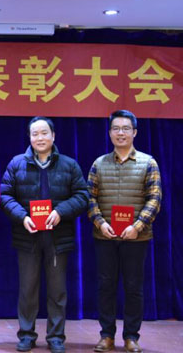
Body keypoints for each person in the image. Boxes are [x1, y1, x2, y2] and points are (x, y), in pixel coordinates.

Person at [0, 116, 88, 353]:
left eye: (44, 133)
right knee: (27, 290)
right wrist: (23, 217)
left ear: (53, 136)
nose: (40, 138)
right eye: (35, 134)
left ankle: (56, 336)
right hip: (27, 236)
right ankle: (26, 335)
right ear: (29, 137)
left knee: (57, 291)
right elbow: (5, 195)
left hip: (58, 237)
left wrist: (60, 212)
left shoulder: (69, 165)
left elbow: (82, 195)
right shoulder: (17, 163)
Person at [88, 110, 161, 353]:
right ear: (110, 133)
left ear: (134, 132)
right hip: (105, 236)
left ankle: (131, 337)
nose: (121, 133)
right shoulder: (99, 163)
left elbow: (154, 199)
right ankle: (106, 336)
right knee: (105, 287)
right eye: (116, 128)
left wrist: (137, 226)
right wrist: (101, 223)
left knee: (133, 288)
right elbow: (90, 198)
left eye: (126, 128)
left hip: (137, 237)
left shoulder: (148, 163)